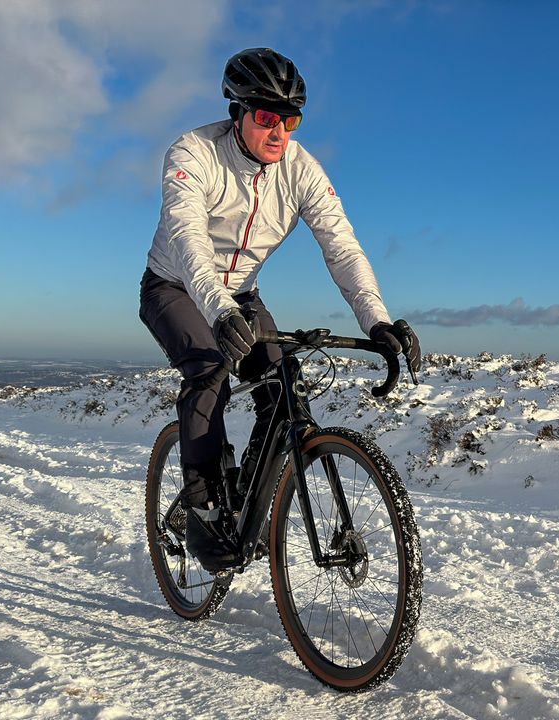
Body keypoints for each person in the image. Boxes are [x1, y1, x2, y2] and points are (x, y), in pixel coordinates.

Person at [139, 47, 421, 573]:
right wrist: (219, 312)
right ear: (237, 112)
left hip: (241, 294)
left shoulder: (301, 170)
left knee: (282, 383)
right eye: (267, 117)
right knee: (210, 372)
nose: (279, 132)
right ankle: (202, 505)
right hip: (174, 286)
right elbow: (187, 237)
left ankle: (244, 501)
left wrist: (376, 321)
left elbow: (342, 246)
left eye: (290, 119)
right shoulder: (193, 152)